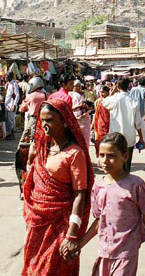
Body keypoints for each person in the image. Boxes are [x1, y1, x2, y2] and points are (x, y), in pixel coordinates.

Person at [73, 132, 145, 276]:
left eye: (112, 156)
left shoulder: (135, 185)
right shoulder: (98, 186)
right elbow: (99, 221)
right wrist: (79, 245)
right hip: (104, 251)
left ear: (125, 156)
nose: (105, 160)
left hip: (127, 253)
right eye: (101, 155)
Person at [22, 100, 94, 276]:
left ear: (64, 122)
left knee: (54, 268)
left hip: (61, 225)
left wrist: (72, 233)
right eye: (43, 120)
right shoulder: (43, 147)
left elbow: (80, 195)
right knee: (34, 267)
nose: (45, 125)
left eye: (50, 120)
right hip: (37, 222)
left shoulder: (74, 154)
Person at [102, 78, 145, 172]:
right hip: (129, 137)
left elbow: (104, 102)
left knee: (114, 162)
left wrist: (113, 90)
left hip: (115, 137)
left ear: (118, 86)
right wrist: (141, 138)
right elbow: (138, 123)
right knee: (126, 165)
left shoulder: (114, 99)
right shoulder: (134, 101)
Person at [70, 80, 92, 147]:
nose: (79, 87)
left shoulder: (82, 94)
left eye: (79, 86)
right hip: (76, 119)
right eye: (77, 86)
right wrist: (79, 106)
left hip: (84, 120)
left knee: (85, 139)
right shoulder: (71, 95)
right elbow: (72, 107)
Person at [129, 76, 145, 142]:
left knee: (132, 127)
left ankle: (132, 141)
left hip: (132, 110)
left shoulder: (133, 89)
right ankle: (143, 141)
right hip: (141, 112)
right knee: (142, 127)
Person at [92, 85, 111, 156]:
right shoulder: (98, 101)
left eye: (103, 92)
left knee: (107, 139)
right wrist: (93, 123)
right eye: (101, 92)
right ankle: (99, 153)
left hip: (108, 123)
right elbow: (96, 112)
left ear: (107, 92)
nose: (102, 94)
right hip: (99, 123)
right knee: (98, 139)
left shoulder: (110, 101)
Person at [4, 72, 21, 141]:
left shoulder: (14, 83)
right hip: (7, 104)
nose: (6, 77)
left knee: (11, 120)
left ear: (10, 76)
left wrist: (14, 104)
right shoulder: (8, 84)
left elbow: (17, 95)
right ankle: (9, 134)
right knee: (8, 120)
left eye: (7, 76)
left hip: (11, 104)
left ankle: (12, 135)